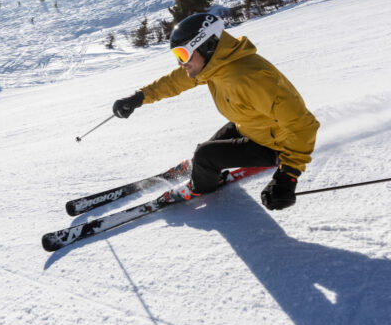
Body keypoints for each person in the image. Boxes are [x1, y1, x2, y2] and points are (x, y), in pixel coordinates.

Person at [112, 12, 319, 210]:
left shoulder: (250, 78)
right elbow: (176, 80)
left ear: (207, 45)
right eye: (177, 54)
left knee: (205, 155)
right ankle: (202, 170)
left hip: (276, 145)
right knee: (206, 151)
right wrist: (139, 97)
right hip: (252, 126)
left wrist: (287, 176)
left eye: (183, 54)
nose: (179, 62)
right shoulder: (216, 65)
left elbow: (303, 125)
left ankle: (199, 186)